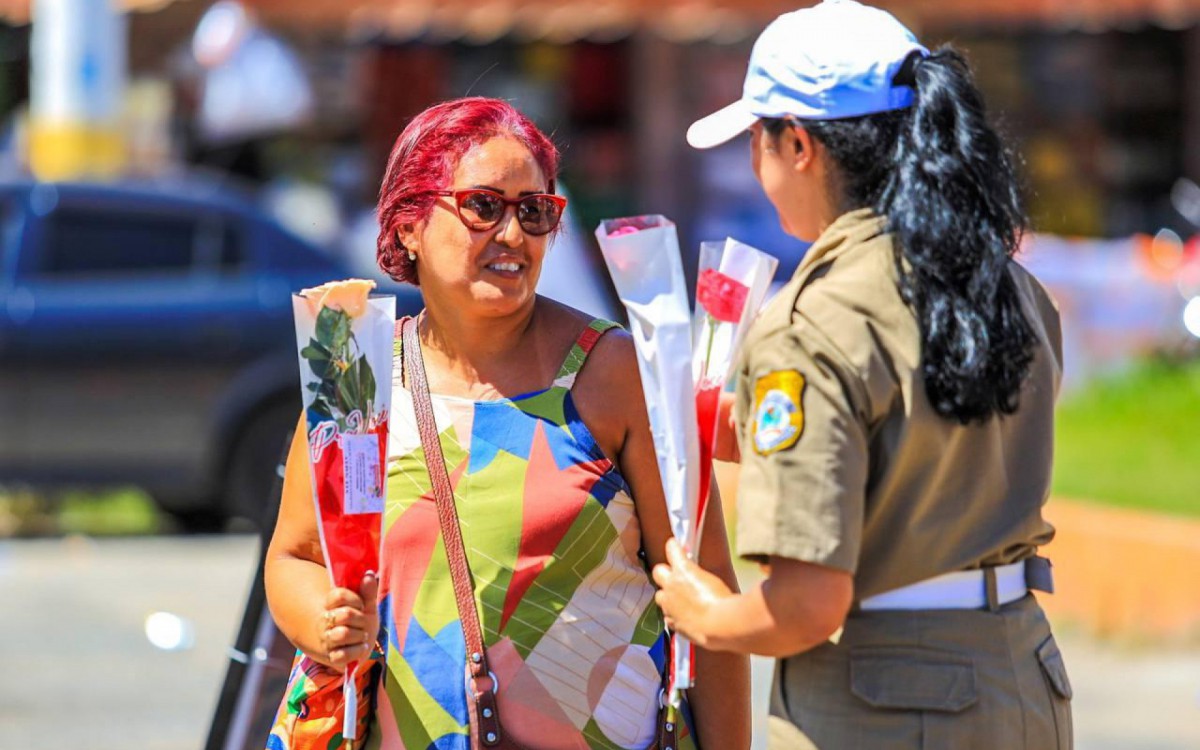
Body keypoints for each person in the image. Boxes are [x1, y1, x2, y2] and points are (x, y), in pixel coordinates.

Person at [265, 97, 750, 749]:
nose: (514, 235)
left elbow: (709, 591)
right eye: (483, 206)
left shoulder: (617, 376)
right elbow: (295, 555)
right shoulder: (355, 375)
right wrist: (322, 619)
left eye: (534, 211)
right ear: (409, 223)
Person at [652, 2, 1072, 749]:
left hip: (886, 703)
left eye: (758, 138)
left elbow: (807, 604)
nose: (757, 162)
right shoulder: (1006, 285)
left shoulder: (813, 320)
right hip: (1022, 676)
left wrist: (705, 613)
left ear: (801, 144)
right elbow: (929, 450)